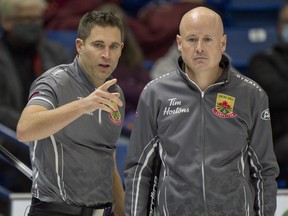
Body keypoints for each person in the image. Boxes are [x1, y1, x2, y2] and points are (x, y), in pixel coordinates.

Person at [124, 6, 279, 215]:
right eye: (191, 39)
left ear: (223, 43)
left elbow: (264, 172)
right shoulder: (155, 94)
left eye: (208, 39)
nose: (199, 47)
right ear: (179, 43)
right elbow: (139, 169)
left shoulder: (251, 95)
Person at [16, 9, 125, 216]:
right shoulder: (55, 81)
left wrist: (122, 211)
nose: (106, 55)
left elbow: (108, 162)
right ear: (80, 46)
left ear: (121, 49)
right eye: (98, 45)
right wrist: (85, 105)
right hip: (54, 211)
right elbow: (25, 129)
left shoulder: (116, 93)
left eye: (113, 46)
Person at [0, 0, 71, 193]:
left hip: (55, 131)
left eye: (37, 18)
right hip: (12, 136)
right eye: (27, 19)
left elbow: (75, 93)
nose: (34, 24)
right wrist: (34, 125)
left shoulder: (55, 53)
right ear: (7, 22)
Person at [248, 3, 288, 188]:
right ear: (279, 27)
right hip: (278, 139)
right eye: (286, 22)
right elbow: (277, 94)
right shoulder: (262, 61)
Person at [98, 3, 151, 136]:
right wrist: (130, 88)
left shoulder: (131, 57)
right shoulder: (89, 60)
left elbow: (150, 91)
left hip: (133, 115)